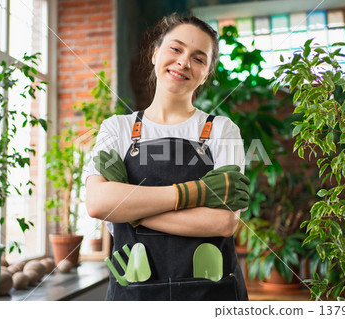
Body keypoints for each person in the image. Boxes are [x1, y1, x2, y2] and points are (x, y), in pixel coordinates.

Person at [84, 13, 249, 301]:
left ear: (206, 73)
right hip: (134, 294)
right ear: (154, 53)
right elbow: (99, 203)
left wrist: (132, 213)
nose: (184, 62)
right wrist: (198, 192)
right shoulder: (117, 128)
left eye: (199, 58)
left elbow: (223, 222)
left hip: (211, 294)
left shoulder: (221, 130)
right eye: (176, 48)